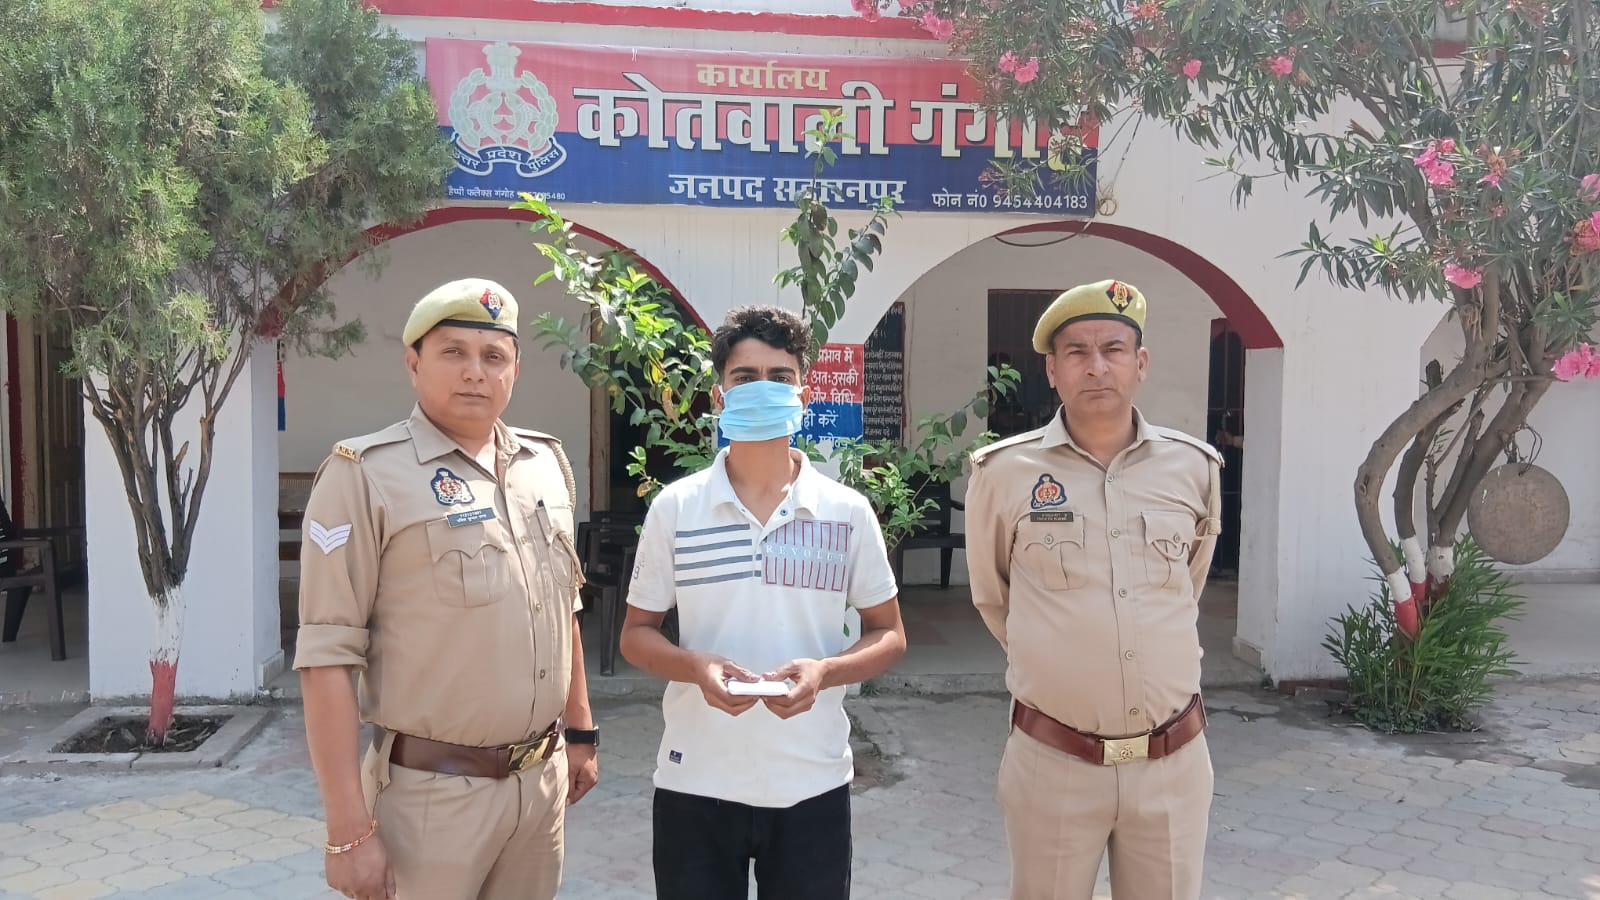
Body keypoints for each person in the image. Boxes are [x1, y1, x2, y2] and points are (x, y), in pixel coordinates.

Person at [294, 277, 599, 900]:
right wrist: (347, 831)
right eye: (453, 352)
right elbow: (326, 657)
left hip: (540, 790)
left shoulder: (544, 465)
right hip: (430, 800)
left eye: (494, 356)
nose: (475, 372)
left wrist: (581, 731)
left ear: (515, 369)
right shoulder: (366, 476)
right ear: (413, 364)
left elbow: (562, 605)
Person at [619, 305, 907, 900]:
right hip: (695, 781)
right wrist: (693, 666)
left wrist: (826, 672)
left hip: (812, 782)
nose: (763, 390)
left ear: (803, 394)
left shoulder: (846, 511)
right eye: (745, 377)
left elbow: (889, 634)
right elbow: (636, 635)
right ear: (719, 395)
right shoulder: (676, 508)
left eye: (780, 377)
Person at [965, 279, 1223, 900]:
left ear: (1141, 363)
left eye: (1114, 349)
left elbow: (1187, 586)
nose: (1097, 366)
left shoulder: (1194, 468)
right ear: (1052, 370)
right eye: (1077, 352)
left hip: (1172, 764)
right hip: (1054, 761)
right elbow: (994, 597)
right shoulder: (1005, 473)